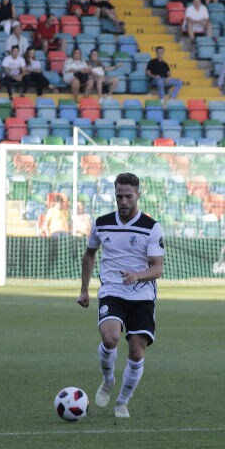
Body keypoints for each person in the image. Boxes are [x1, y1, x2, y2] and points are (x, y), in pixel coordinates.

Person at [77, 172, 165, 419]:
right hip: (112, 291)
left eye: (128, 196)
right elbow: (90, 254)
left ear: (138, 194)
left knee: (136, 352)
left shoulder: (151, 227)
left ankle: (122, 402)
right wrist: (84, 290)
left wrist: (138, 275)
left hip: (142, 296)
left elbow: (158, 267)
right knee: (110, 338)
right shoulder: (102, 223)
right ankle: (108, 380)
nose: (123, 201)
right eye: (119, 196)